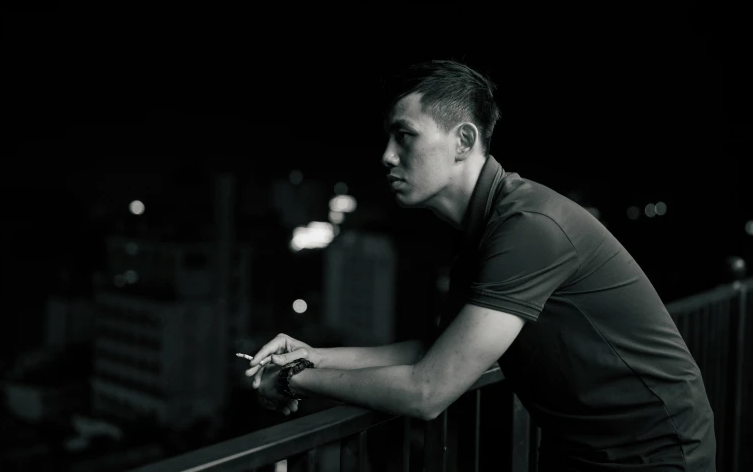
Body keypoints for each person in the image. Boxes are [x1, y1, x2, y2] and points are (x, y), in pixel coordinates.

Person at [244, 60, 716, 471]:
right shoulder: (485, 225)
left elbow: (428, 390)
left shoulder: (526, 227)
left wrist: (293, 378)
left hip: (653, 456)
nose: (386, 156)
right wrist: (312, 355)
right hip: (585, 452)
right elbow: (437, 350)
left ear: (463, 140)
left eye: (404, 136)